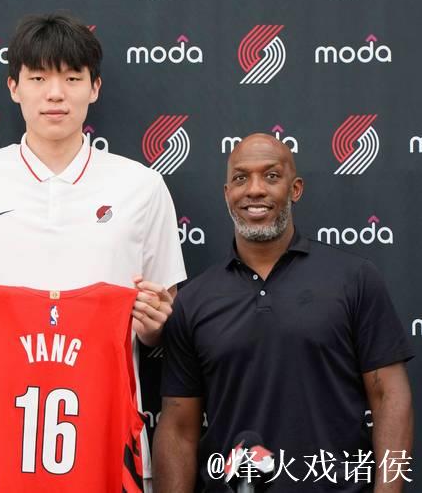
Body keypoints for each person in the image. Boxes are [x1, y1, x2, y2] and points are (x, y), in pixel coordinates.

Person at [0, 12, 186, 491]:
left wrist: (155, 323)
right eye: (38, 78)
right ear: (14, 87)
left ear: (94, 88)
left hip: (105, 441)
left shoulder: (142, 186)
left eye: (72, 78)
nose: (55, 94)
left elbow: (161, 321)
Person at [154, 133, 414, 492]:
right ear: (227, 193)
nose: (255, 190)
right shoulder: (193, 301)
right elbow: (179, 429)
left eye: (271, 176)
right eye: (241, 178)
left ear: (295, 189)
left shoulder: (354, 279)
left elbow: (389, 398)